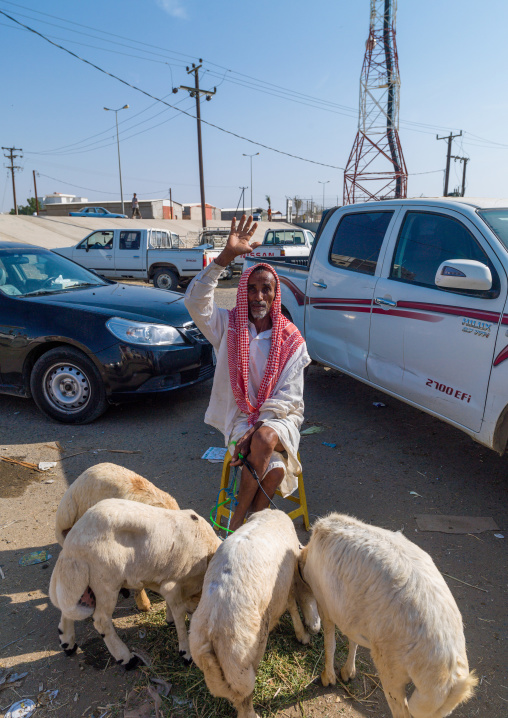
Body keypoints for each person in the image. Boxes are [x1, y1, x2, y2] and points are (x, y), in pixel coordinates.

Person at [184, 215, 310, 531]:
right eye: (251, 289)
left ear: (275, 294)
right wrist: (225, 257)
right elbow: (195, 301)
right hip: (241, 418)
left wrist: (257, 432)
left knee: (266, 437)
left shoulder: (290, 338)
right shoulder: (228, 327)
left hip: (281, 419)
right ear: (244, 292)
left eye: (265, 289)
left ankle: (236, 525)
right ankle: (252, 527)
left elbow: (290, 399)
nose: (257, 297)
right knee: (276, 470)